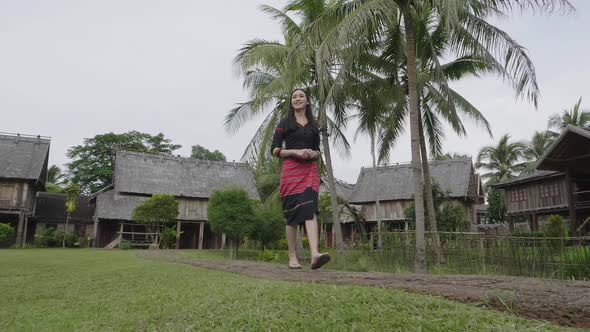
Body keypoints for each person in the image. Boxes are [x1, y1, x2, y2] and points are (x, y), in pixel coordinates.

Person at [271, 88, 331, 270]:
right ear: (291, 102)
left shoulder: (313, 125)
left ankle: (314, 254)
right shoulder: (284, 123)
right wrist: (295, 151)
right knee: (292, 216)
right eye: (294, 97)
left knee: (310, 209)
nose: (297, 99)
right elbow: (274, 150)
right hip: (291, 172)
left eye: (301, 96)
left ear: (307, 102)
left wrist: (314, 152)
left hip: (309, 171)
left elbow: (317, 150)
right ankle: (292, 256)